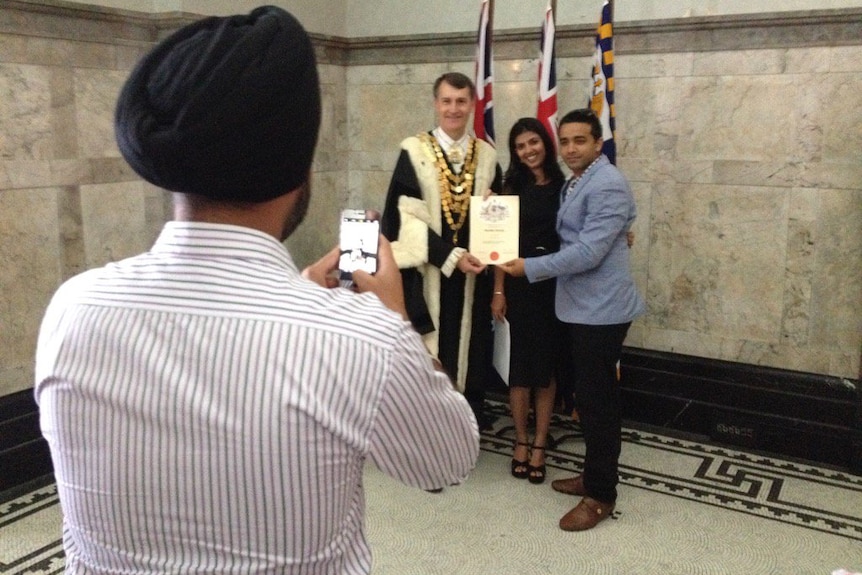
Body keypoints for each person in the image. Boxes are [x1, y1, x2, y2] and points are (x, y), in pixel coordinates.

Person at [34, 7, 479, 574]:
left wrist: (295, 290)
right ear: (301, 172)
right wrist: (395, 319)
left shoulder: (74, 309)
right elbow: (444, 463)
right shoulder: (364, 339)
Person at [500, 108, 645, 531]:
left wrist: (528, 268)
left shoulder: (609, 184)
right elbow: (575, 233)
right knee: (588, 399)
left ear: (598, 143)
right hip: (580, 307)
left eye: (579, 141)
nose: (569, 149)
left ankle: (601, 496)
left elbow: (588, 253)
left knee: (598, 405)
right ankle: (593, 475)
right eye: (564, 141)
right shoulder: (579, 181)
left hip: (602, 311)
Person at [381, 72, 502, 429]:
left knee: (471, 347)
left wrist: (496, 213)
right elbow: (404, 216)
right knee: (428, 343)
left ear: (471, 105)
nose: (453, 109)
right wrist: (450, 256)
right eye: (447, 101)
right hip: (427, 272)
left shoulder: (488, 157)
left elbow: (498, 217)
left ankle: (464, 424)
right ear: (436, 104)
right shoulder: (413, 151)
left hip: (474, 276)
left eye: (461, 101)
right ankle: (424, 428)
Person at [492, 118, 566, 485]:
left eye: (533, 142)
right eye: (520, 146)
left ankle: (540, 444)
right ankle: (520, 440)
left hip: (553, 286)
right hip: (517, 289)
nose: (528, 151)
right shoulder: (510, 187)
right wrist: (498, 290)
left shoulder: (566, 189)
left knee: (546, 371)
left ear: (546, 144)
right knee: (519, 370)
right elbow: (500, 245)